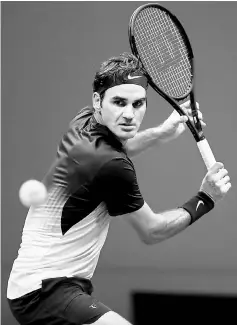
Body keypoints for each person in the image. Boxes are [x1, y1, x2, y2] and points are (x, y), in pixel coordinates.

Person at [7, 52, 231, 325]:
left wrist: (162, 132)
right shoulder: (113, 167)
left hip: (40, 285)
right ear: (97, 101)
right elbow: (153, 230)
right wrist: (206, 198)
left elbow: (119, 145)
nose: (129, 114)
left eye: (138, 104)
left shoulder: (84, 121)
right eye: (119, 102)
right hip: (46, 290)